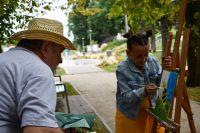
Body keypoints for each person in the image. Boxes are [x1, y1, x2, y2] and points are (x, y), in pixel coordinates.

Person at [0, 18, 76, 133]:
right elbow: (38, 130)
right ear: (46, 48)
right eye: (59, 52)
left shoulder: (4, 59)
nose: (60, 60)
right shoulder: (39, 71)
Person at [115, 30, 172, 133]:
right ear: (128, 53)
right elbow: (126, 97)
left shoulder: (153, 62)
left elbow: (161, 85)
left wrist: (165, 71)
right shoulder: (121, 69)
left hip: (151, 111)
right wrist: (144, 91)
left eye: (146, 54)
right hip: (129, 115)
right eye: (139, 56)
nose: (144, 59)